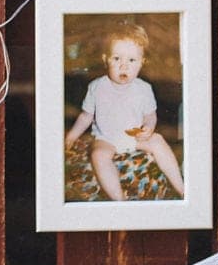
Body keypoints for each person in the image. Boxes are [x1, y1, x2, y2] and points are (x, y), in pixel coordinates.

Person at [63, 23, 186, 201]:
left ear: (141, 63)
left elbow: (150, 115)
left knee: (158, 140)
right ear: (106, 59)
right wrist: (72, 136)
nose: (124, 66)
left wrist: (149, 128)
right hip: (107, 138)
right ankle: (119, 199)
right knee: (98, 155)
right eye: (117, 59)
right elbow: (86, 115)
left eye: (131, 60)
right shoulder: (97, 87)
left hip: (134, 137)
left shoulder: (144, 89)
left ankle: (182, 189)